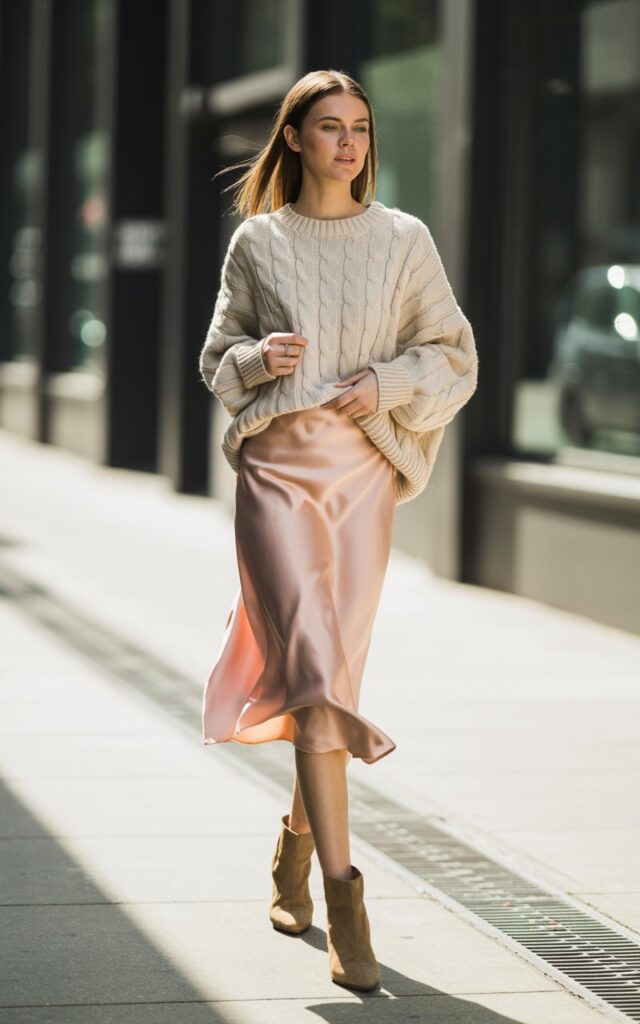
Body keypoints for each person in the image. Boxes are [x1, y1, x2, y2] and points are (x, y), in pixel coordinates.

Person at [198, 69, 479, 993]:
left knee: (328, 682)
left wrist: (388, 385)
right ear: (295, 139)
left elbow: (453, 355)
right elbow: (216, 359)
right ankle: (346, 898)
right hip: (277, 475)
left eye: (359, 127)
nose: (349, 142)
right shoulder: (259, 242)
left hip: (360, 479)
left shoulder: (404, 240)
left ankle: (293, 843)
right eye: (330, 127)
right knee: (316, 675)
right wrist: (255, 356)